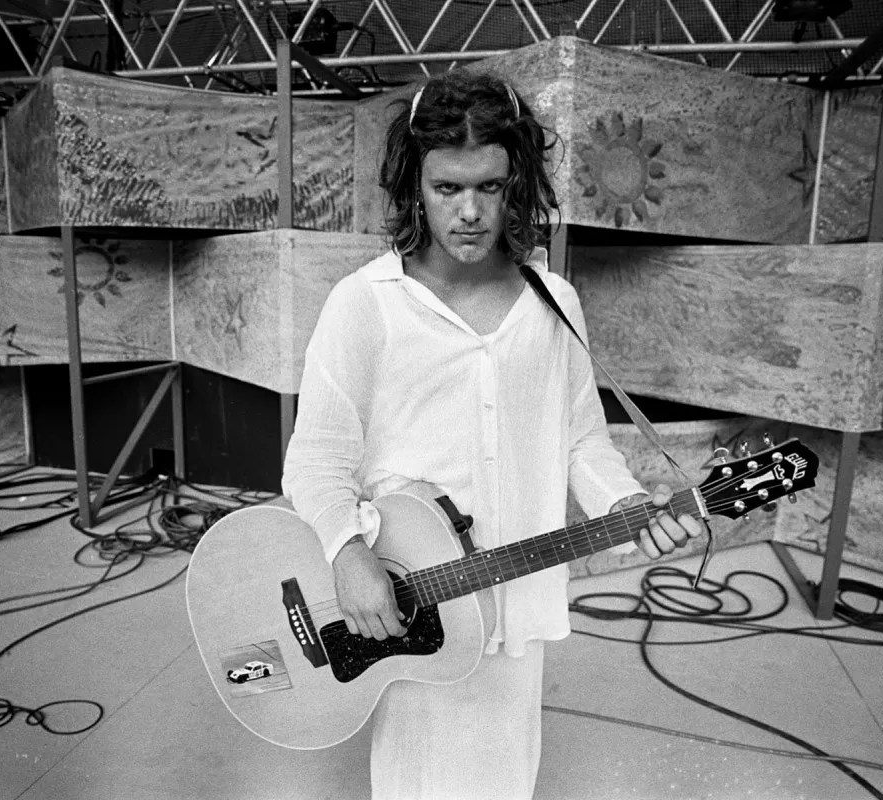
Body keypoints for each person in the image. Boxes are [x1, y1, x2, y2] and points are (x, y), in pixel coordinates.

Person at [281, 70, 702, 800]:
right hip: (414, 606)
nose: (470, 211)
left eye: (490, 187)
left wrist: (625, 505)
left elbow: (582, 443)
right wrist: (347, 554)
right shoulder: (365, 305)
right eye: (447, 188)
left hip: (516, 603)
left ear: (517, 185)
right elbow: (315, 460)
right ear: (415, 185)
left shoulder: (554, 305)